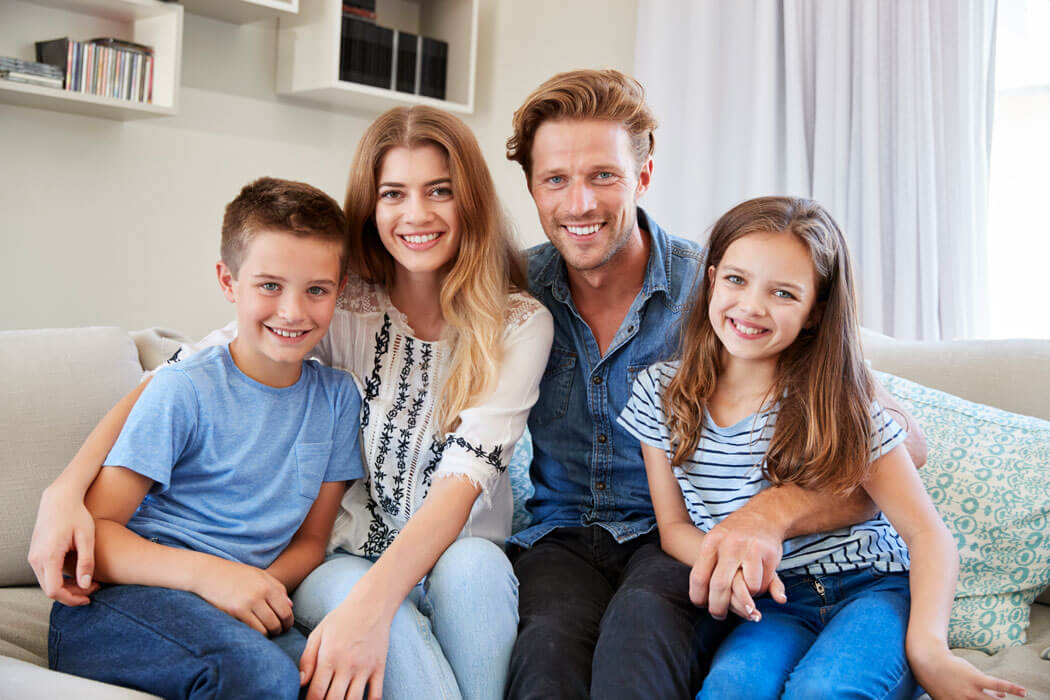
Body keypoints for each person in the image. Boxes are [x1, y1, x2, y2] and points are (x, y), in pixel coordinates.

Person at [31, 106, 553, 700]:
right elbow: (183, 371)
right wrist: (63, 489)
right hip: (327, 561)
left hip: (447, 548)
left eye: (440, 190)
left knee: (474, 571)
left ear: (472, 201)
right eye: (393, 193)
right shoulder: (342, 303)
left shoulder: (510, 326)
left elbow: (460, 482)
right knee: (315, 651)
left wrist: (321, 597)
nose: (416, 214)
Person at [502, 70, 929, 699]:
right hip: (562, 536)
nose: (580, 204)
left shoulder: (731, 289)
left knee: (641, 630)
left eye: (604, 176)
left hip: (683, 537)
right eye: (555, 180)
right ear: (534, 189)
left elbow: (903, 446)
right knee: (546, 654)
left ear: (643, 177)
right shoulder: (515, 293)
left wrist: (771, 512)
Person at [618, 195, 1027, 700]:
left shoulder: (837, 396)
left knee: (825, 690)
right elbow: (674, 526)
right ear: (711, 280)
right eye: (737, 280)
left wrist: (930, 649)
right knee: (730, 689)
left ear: (816, 312)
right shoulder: (660, 393)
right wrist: (727, 563)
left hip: (872, 590)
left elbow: (926, 532)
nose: (751, 306)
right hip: (774, 605)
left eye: (784, 293)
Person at [48, 177, 365, 698]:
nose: (293, 311)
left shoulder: (335, 401)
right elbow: (98, 534)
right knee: (262, 676)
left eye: (316, 289)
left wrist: (257, 588)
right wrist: (212, 578)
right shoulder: (184, 389)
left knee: (332, 676)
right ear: (228, 281)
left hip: (233, 605)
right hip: (120, 601)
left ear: (340, 289)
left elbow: (311, 542)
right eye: (269, 285)